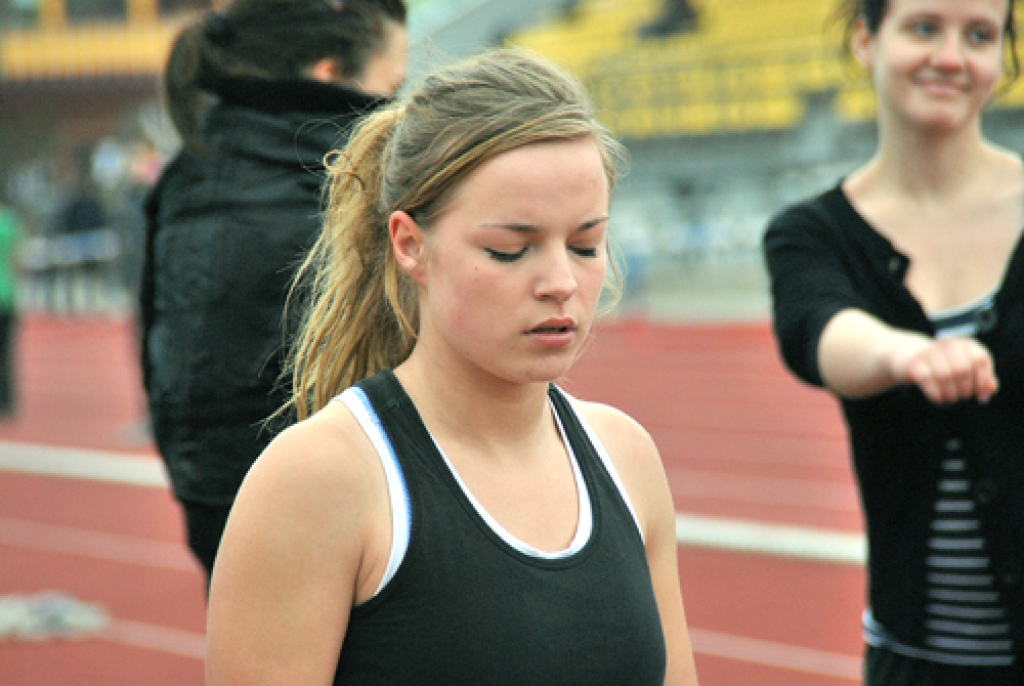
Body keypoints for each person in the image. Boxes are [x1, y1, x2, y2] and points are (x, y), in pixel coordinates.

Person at [205, 48, 700, 686]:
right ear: (410, 244)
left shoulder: (626, 459)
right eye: (509, 250)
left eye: (585, 244)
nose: (560, 282)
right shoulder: (320, 480)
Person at [763, 0, 1024, 683]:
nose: (950, 56)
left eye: (979, 34)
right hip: (913, 663)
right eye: (923, 27)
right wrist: (905, 354)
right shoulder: (813, 232)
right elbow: (816, 330)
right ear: (864, 39)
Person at [139, 0, 408, 582]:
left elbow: (156, 347)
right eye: (392, 86)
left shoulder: (189, 169)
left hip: (208, 492)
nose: (398, 108)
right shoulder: (351, 175)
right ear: (328, 75)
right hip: (339, 499)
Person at [0, 201, 22, 417]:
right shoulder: (9, 221)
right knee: (7, 353)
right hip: (8, 296)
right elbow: (17, 259)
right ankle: (7, 402)